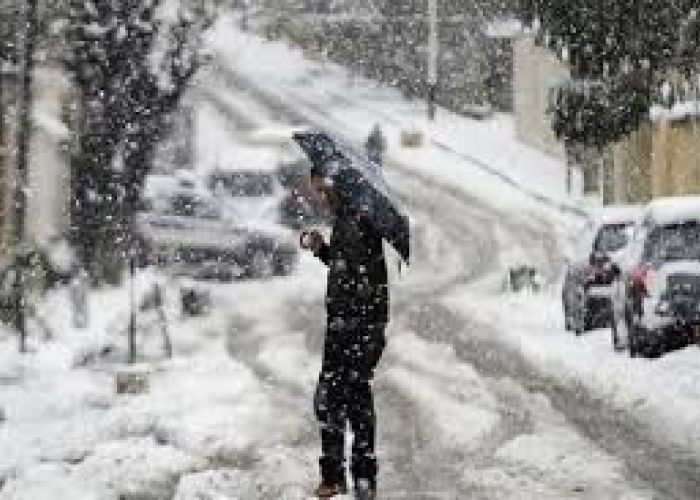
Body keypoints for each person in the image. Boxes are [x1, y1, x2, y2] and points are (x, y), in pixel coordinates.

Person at [300, 167, 388, 500]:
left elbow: (362, 279)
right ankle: (354, 478)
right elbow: (348, 266)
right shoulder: (350, 218)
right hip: (352, 326)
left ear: (337, 185)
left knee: (340, 400)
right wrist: (324, 250)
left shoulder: (357, 220)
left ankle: (343, 477)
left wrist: (334, 261)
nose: (320, 196)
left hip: (357, 327)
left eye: (323, 189)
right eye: (317, 190)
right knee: (347, 400)